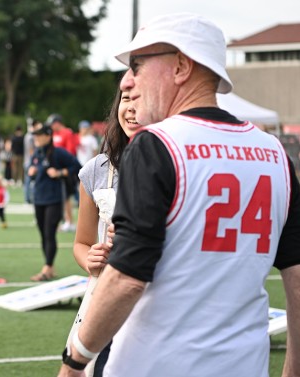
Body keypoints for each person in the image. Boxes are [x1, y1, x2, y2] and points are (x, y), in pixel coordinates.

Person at [60, 13, 300, 377]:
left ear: (182, 66)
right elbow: (296, 274)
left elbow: (127, 276)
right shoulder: (275, 153)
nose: (128, 79)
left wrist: (74, 361)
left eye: (137, 66)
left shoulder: (157, 145)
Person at [61, 86, 139, 377]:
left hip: (160, 298)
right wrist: (90, 258)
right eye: (126, 99)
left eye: (140, 99)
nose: (131, 107)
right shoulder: (96, 170)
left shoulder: (180, 166)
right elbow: (81, 242)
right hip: (105, 295)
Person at [27, 124, 79, 281]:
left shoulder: (58, 153)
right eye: (34, 135)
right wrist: (31, 173)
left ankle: (47, 268)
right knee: (43, 234)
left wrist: (60, 172)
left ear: (48, 136)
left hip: (54, 199)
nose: (36, 138)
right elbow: (32, 171)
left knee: (49, 233)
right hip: (39, 198)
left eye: (39, 135)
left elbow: (77, 166)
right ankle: (49, 266)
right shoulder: (37, 153)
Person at [48, 114, 78, 232]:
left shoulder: (67, 133)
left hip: (65, 169)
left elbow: (70, 151)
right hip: (55, 170)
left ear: (57, 123)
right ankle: (65, 219)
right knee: (60, 197)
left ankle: (70, 221)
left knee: (66, 197)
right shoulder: (54, 134)